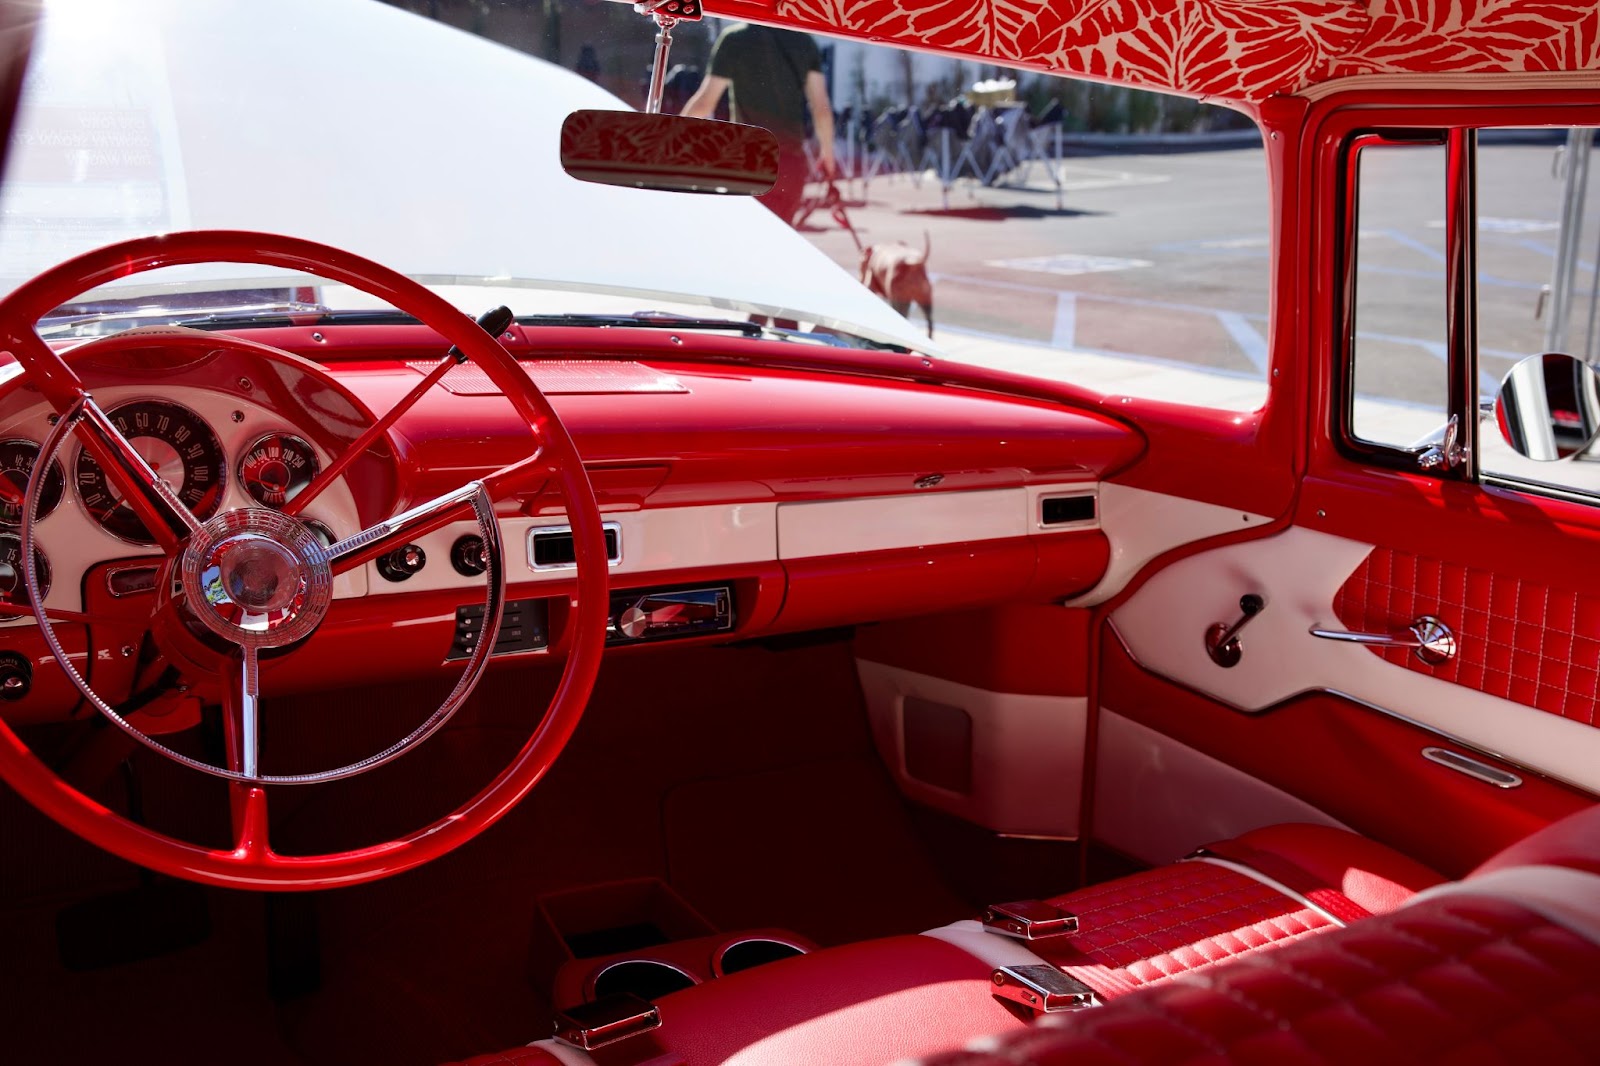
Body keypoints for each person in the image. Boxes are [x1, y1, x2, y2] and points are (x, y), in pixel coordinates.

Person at [680, 23, 835, 226]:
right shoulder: (805, 42)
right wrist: (828, 156)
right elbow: (821, 109)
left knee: (744, 238)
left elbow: (705, 103)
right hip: (791, 165)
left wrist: (673, 137)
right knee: (780, 240)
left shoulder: (734, 39)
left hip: (749, 161)